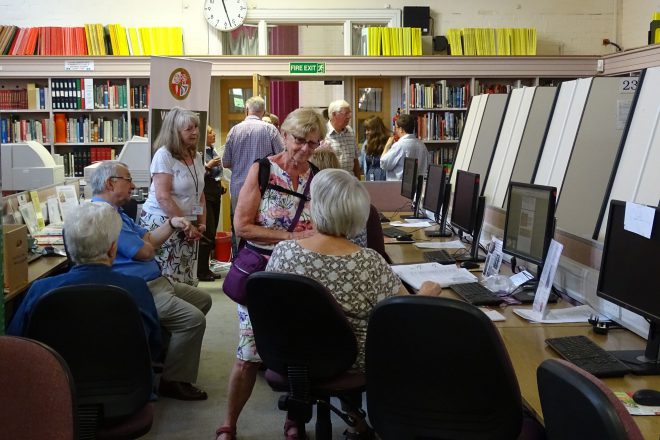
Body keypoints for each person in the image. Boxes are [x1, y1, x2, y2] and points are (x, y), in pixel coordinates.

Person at [266, 168, 441, 438]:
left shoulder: (283, 252)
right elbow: (406, 315)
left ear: (316, 206)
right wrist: (428, 291)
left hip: (292, 357)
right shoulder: (368, 262)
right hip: (350, 361)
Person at [215, 108, 325, 440]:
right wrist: (292, 237)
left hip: (303, 275)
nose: (304, 150)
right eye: (299, 141)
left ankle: (295, 420)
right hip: (262, 276)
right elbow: (243, 227)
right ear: (285, 136)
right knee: (249, 354)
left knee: (299, 351)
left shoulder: (317, 176)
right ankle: (229, 423)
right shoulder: (263, 170)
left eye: (313, 144)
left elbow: (323, 225)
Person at [91, 160, 212, 401]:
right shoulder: (104, 216)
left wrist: (171, 223)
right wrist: (151, 243)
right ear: (110, 183)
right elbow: (145, 251)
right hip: (141, 289)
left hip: (156, 282)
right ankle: (173, 381)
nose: (133, 185)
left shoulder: (118, 213)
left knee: (202, 299)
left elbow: (148, 238)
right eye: (128, 180)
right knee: (193, 320)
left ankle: (166, 356)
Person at [7, 202, 162, 365]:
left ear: (69, 246)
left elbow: (15, 344)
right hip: (128, 386)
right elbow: (153, 347)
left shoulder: (40, 290)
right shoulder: (136, 288)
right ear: (112, 249)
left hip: (57, 385)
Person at [139, 107, 205, 285]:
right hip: (163, 223)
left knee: (183, 276)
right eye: (189, 129)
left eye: (196, 127)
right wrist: (185, 224)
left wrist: (201, 222)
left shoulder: (196, 156)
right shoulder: (164, 155)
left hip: (186, 225)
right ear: (175, 132)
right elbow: (163, 196)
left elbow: (200, 191)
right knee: (167, 278)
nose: (196, 132)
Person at [222, 96, 284, 212]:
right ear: (264, 112)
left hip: (239, 189)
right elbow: (283, 158)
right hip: (264, 189)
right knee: (261, 226)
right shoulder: (270, 130)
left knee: (239, 227)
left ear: (246, 110)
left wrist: (241, 165)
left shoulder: (234, 130)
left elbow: (225, 163)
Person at [198, 125, 223, 282]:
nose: (213, 134)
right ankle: (201, 271)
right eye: (209, 132)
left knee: (212, 233)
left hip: (215, 194)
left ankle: (206, 268)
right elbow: (199, 173)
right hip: (205, 196)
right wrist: (208, 166)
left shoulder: (212, 150)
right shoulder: (199, 153)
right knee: (206, 234)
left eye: (213, 131)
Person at [380, 113, 429, 181]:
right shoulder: (422, 145)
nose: (395, 130)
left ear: (401, 129)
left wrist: (387, 146)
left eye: (396, 127)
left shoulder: (399, 145)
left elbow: (383, 164)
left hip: (398, 187)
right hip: (418, 187)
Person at [326, 99, 362, 179]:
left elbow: (355, 160)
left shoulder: (350, 131)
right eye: (346, 113)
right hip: (332, 182)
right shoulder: (323, 133)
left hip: (350, 181)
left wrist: (359, 182)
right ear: (334, 114)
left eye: (349, 113)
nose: (349, 116)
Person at [361, 116, 389, 181]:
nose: (366, 133)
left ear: (376, 130)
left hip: (384, 180)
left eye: (368, 130)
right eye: (365, 130)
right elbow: (362, 163)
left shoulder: (387, 143)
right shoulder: (366, 144)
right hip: (369, 179)